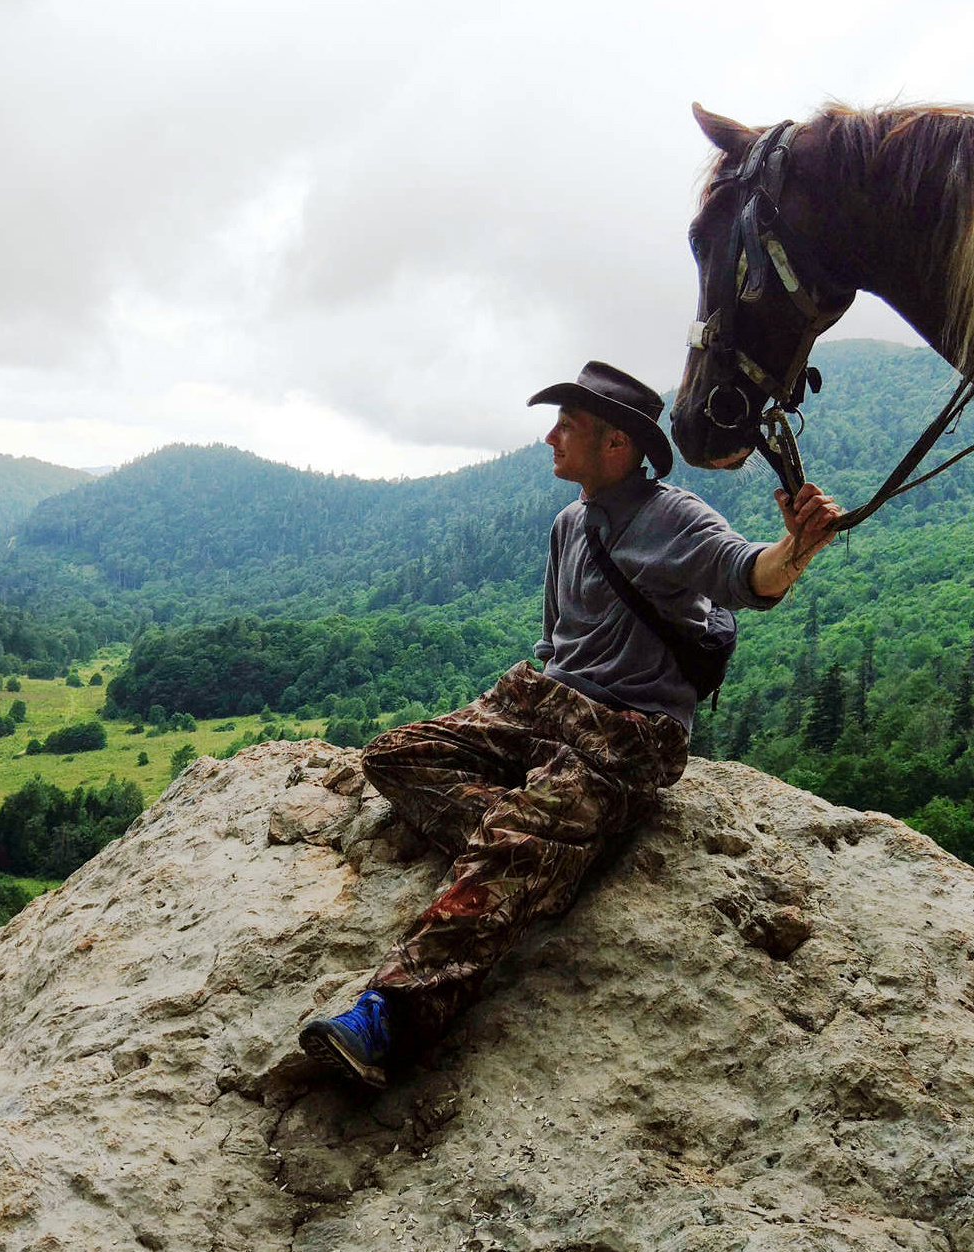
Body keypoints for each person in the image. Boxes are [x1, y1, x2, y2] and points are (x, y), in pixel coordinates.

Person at [299, 361, 842, 1088]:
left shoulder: (675, 516)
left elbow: (751, 575)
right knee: (396, 756)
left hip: (625, 731)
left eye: (569, 426)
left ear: (617, 445)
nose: (550, 437)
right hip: (542, 703)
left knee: (514, 839)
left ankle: (387, 1017)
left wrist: (796, 549)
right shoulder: (569, 523)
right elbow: (555, 645)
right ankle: (541, 856)